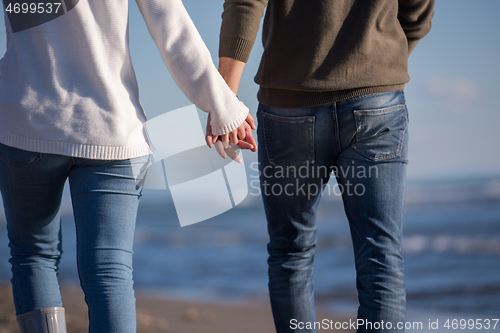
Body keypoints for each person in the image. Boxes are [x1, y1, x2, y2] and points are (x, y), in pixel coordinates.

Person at [0, 0, 255, 332]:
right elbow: (170, 25)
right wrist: (223, 108)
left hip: (26, 119)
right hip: (112, 128)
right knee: (109, 271)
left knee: (34, 255)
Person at [216, 0, 434, 332]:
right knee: (381, 256)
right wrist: (381, 59)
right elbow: (417, 9)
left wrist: (223, 99)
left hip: (289, 103)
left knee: (291, 253)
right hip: (376, 100)